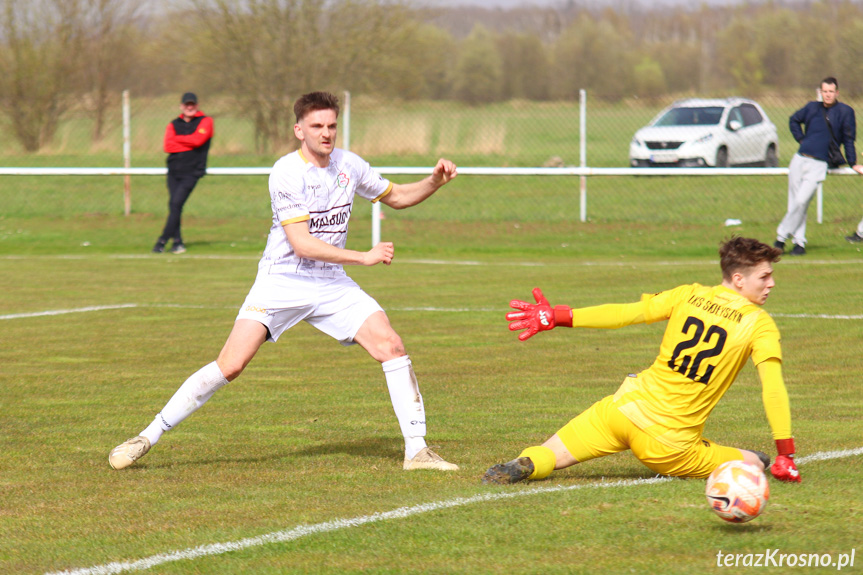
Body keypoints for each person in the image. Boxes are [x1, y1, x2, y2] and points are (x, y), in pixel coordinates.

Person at [111, 91, 459, 472]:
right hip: (281, 281)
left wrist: (434, 181)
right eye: (317, 126)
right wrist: (364, 256)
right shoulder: (286, 172)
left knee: (391, 345)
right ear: (299, 130)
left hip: (331, 283)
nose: (326, 134)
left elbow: (397, 196)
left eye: (331, 126)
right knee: (230, 365)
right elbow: (302, 244)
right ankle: (148, 435)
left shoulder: (349, 165)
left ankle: (417, 451)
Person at [482, 237, 802, 486]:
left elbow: (624, 313)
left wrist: (559, 316)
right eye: (765, 276)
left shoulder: (688, 294)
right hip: (669, 444)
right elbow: (772, 389)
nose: (771, 283)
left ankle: (527, 463)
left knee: (548, 454)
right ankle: (755, 466)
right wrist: (784, 453)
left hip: (621, 410)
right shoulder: (759, 323)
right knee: (757, 461)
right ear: (739, 279)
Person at [775, 77, 863, 256]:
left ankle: (780, 239)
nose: (827, 95)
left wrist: (853, 163)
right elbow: (793, 120)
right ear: (820, 92)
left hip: (819, 164)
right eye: (824, 91)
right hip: (799, 159)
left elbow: (848, 139)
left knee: (801, 201)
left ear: (837, 93)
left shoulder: (845, 111)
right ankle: (799, 244)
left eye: (831, 91)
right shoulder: (811, 107)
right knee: (796, 203)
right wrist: (802, 139)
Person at [153, 92, 214, 254]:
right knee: (175, 206)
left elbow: (198, 140)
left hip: (192, 171)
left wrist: (179, 140)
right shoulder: (174, 123)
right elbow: (168, 146)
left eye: (192, 104)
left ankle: (162, 240)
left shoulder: (206, 121)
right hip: (173, 171)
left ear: (197, 105)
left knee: (175, 204)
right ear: (181, 106)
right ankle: (177, 243)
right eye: (186, 104)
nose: (189, 107)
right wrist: (189, 142)